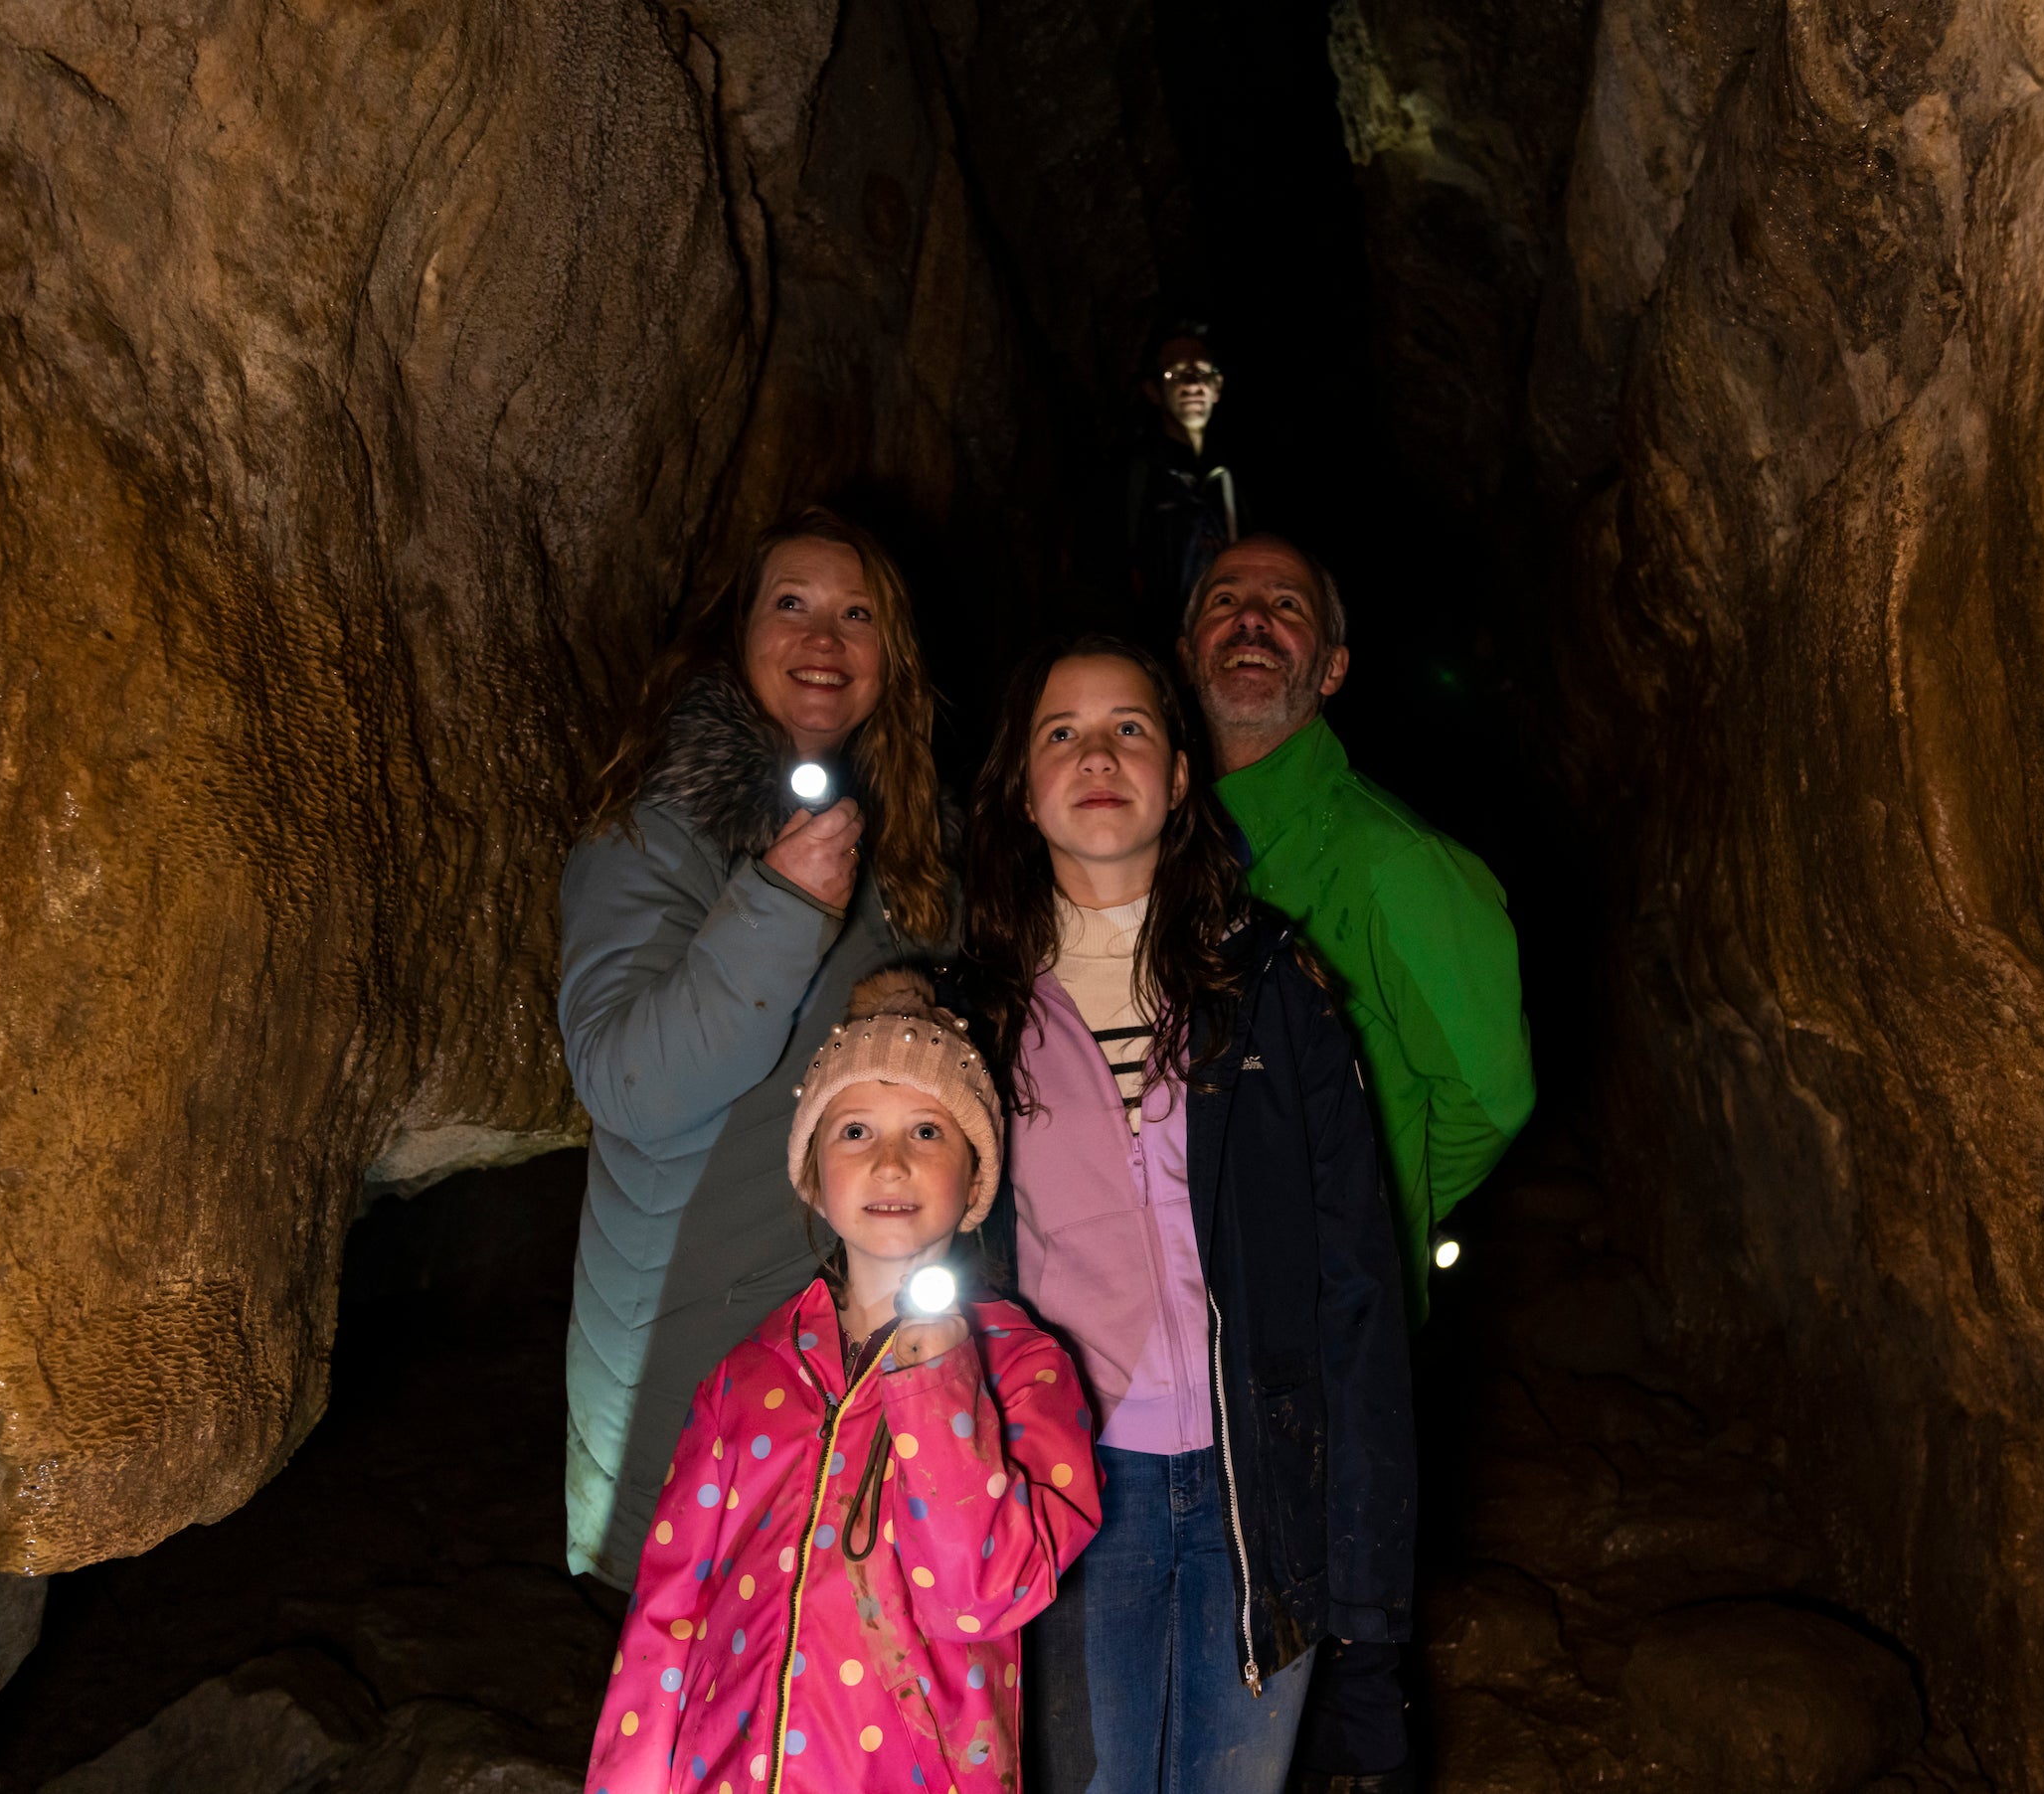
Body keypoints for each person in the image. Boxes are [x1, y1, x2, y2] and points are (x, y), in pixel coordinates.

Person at [962, 636, 1415, 1794]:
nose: (1097, 752)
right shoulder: (973, 1017)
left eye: (1130, 727)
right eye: (1061, 730)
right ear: (1021, 783)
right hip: (1069, 1493)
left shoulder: (1269, 986)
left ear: (1178, 776)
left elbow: (1356, 1280)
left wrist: (1366, 1580)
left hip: (1255, 1484)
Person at [1179, 537, 1536, 1793]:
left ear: (1331, 667)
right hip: (1184, 1351)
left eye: (1285, 608)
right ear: (1186, 652)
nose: (1251, 620)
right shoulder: (1151, 852)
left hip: (1330, 1357)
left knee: (1333, 1683)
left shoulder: (1395, 864)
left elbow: (1490, 1094)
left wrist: (1371, 1217)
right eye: (1225, 602)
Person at [560, 506, 959, 1589]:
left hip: (848, 1351)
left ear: (892, 656)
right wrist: (779, 906)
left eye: (856, 612)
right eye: (793, 605)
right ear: (738, 633)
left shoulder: (916, 841)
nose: (824, 638)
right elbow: (626, 1079)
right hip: (688, 1356)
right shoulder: (659, 824)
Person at [584, 966, 1103, 1793]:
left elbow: (982, 1596)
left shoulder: (1028, 1372)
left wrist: (936, 1381)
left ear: (976, 1178)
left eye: (928, 1133)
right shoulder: (748, 1376)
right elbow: (667, 1616)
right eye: (855, 1131)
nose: (890, 1162)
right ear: (811, 1176)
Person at [1121, 325, 1248, 649]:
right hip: (1159, 651)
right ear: (1152, 391)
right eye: (1175, 375)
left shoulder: (1245, 475)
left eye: (1201, 372)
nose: (1192, 383)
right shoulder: (1128, 478)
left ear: (1218, 385)